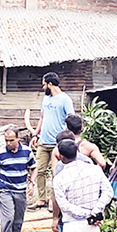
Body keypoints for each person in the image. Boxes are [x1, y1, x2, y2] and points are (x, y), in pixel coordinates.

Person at [46, 128, 95, 232]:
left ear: (60, 152)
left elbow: (57, 195)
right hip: (89, 209)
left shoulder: (61, 167)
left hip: (70, 211)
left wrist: (55, 217)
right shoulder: (88, 162)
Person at [35, 72, 74, 209]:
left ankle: (54, 200)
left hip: (58, 143)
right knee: (39, 170)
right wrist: (35, 134)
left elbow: (71, 119)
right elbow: (42, 117)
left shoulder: (65, 100)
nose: (43, 87)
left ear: (50, 84)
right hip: (43, 141)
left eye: (44, 84)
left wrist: (68, 138)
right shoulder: (46, 99)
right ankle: (41, 199)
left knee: (56, 172)